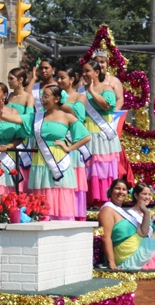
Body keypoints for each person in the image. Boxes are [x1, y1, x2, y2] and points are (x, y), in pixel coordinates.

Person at [0, 85, 91, 220]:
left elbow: (86, 137)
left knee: (60, 191)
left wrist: (69, 148)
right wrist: (2, 115)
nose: (43, 99)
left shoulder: (67, 117)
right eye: (42, 96)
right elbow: (19, 119)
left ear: (57, 98)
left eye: (46, 96)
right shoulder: (36, 117)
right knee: (43, 191)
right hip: (41, 159)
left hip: (59, 160)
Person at [98, 179, 155, 276]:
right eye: (117, 189)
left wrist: (146, 213)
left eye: (124, 189)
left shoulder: (123, 212)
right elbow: (106, 237)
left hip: (139, 247)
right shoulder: (107, 210)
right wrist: (112, 263)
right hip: (127, 254)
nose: (121, 192)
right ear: (110, 191)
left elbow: (143, 233)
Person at [77, 60, 122, 207]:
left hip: (102, 133)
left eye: (87, 71)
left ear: (97, 72)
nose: (84, 74)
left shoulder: (106, 87)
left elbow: (107, 105)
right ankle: (88, 199)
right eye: (83, 71)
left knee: (101, 167)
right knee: (87, 166)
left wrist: (92, 91)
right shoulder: (80, 90)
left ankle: (103, 200)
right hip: (86, 132)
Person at [57, 67, 89, 220]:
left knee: (73, 177)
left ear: (72, 79)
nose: (59, 81)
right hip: (57, 142)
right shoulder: (53, 95)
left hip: (72, 144)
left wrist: (59, 102)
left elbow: (77, 115)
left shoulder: (80, 96)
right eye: (57, 78)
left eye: (63, 77)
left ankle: (75, 214)